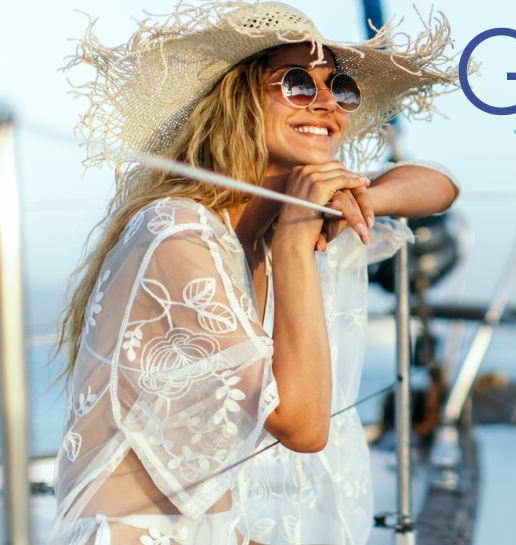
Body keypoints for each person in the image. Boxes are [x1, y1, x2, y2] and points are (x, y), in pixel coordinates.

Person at [48, 2, 463, 545]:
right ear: (236, 101)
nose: (325, 103)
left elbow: (439, 185)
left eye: (340, 87)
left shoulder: (282, 219)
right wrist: (294, 238)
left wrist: (360, 197)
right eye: (296, 82)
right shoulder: (177, 233)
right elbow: (304, 428)